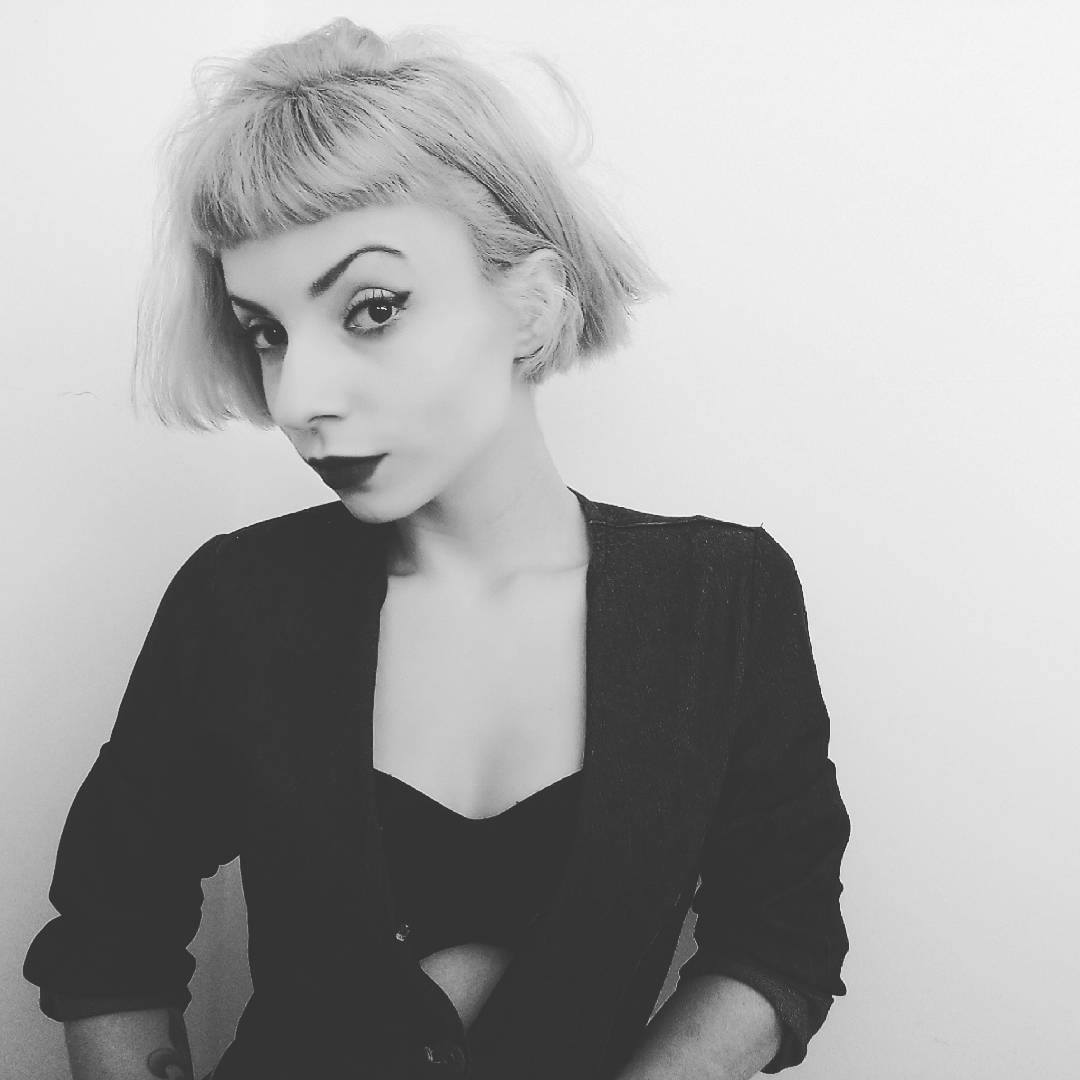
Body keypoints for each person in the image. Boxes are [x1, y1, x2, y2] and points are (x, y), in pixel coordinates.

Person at [23, 18, 850, 1080]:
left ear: (533, 303)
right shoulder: (238, 600)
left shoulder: (723, 600)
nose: (299, 398)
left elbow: (781, 933)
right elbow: (112, 937)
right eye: (267, 332)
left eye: (371, 309)